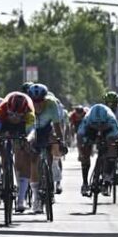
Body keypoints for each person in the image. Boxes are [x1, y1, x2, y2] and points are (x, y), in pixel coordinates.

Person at [0, 91, 36, 213]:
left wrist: (27, 140)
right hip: (5, 124)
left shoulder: (29, 113)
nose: (15, 116)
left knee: (25, 155)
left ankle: (21, 200)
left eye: (18, 114)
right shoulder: (2, 108)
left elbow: (31, 132)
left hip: (22, 126)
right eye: (12, 114)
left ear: (24, 112)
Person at [27, 83, 65, 212]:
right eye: (34, 101)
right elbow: (26, 130)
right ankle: (36, 196)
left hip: (47, 129)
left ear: (45, 99)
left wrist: (61, 142)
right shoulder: (27, 106)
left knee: (53, 140)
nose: (37, 104)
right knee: (33, 159)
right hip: (31, 131)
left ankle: (52, 168)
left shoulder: (51, 104)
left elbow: (57, 126)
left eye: (40, 101)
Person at [77, 103, 118, 196]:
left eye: (101, 124)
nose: (99, 126)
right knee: (85, 149)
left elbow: (117, 135)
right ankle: (85, 183)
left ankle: (108, 178)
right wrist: (81, 152)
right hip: (92, 129)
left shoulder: (111, 118)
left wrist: (115, 147)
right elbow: (80, 135)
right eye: (97, 124)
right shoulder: (87, 118)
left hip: (108, 129)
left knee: (112, 145)